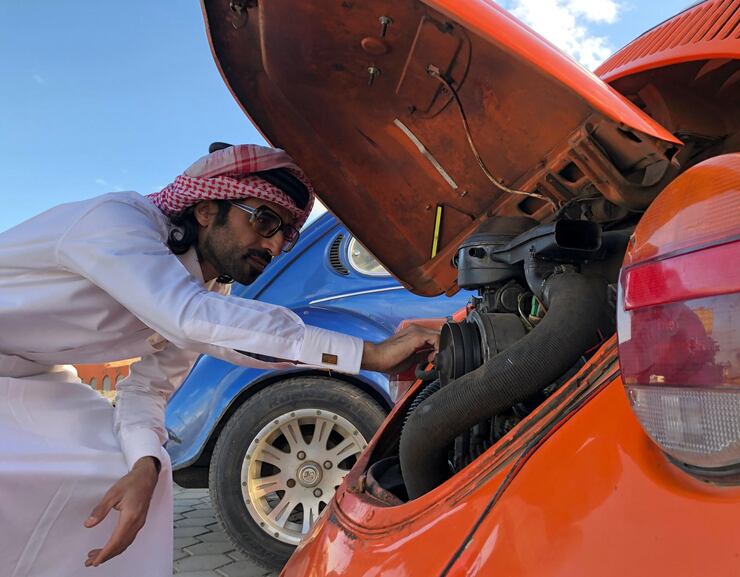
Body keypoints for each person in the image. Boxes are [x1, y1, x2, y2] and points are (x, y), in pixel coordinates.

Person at [0, 143, 438, 576]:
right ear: (207, 209)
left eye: (285, 234)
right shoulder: (117, 224)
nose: (272, 244)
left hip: (32, 373)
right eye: (264, 220)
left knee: (123, 466)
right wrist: (369, 354)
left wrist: (145, 463)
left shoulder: (208, 292)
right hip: (20, 370)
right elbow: (189, 317)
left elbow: (147, 388)